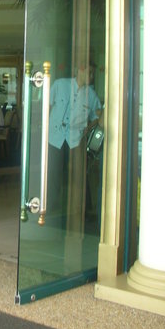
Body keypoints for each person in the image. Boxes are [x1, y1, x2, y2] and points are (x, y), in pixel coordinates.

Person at [47, 62, 102, 220]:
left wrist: (87, 128)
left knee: (79, 174)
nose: (92, 76)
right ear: (80, 70)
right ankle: (50, 205)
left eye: (93, 73)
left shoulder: (91, 95)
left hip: (75, 139)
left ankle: (84, 208)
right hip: (55, 136)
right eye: (90, 72)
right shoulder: (60, 85)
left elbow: (98, 116)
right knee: (53, 172)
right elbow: (47, 105)